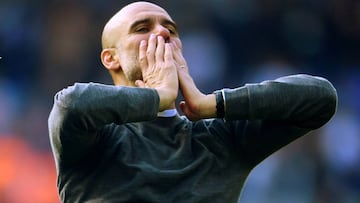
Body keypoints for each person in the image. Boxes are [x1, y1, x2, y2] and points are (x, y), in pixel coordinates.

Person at [48, 1, 338, 202]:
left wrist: (213, 104)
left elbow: (320, 98)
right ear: (110, 58)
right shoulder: (96, 140)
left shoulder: (217, 141)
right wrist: (158, 97)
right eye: (142, 28)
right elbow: (71, 104)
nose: (162, 33)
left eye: (171, 31)